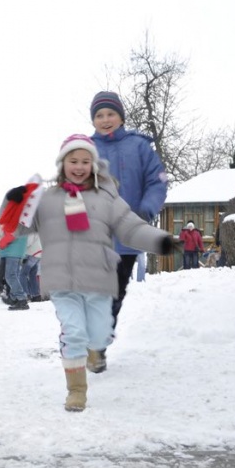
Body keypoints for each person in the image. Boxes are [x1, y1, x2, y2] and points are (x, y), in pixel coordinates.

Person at [1, 134, 171, 411]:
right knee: (74, 332)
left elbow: (131, 227)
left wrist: (158, 240)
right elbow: (18, 227)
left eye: (84, 161)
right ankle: (77, 390)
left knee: (100, 334)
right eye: (72, 160)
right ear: (62, 164)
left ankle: (96, 350)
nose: (78, 166)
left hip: (98, 280)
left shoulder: (107, 198)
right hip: (61, 280)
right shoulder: (46, 199)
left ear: (93, 165)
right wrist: (13, 201)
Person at [90, 91, 168, 365]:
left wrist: (146, 208)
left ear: (121, 116)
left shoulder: (139, 147)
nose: (105, 119)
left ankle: (100, 342)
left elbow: (157, 181)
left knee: (116, 290)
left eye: (110, 114)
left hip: (128, 233)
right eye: (99, 115)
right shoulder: (86, 148)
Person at [0, 229, 30, 310]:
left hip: (12, 251)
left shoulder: (14, 220)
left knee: (10, 276)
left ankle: (21, 299)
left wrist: (0, 244)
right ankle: (14, 297)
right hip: (15, 250)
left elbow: (11, 235)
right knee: (14, 275)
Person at [23, 232, 43, 300]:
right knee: (32, 275)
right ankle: (36, 295)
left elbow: (28, 242)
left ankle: (25, 294)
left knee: (23, 274)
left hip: (32, 254)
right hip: (37, 254)